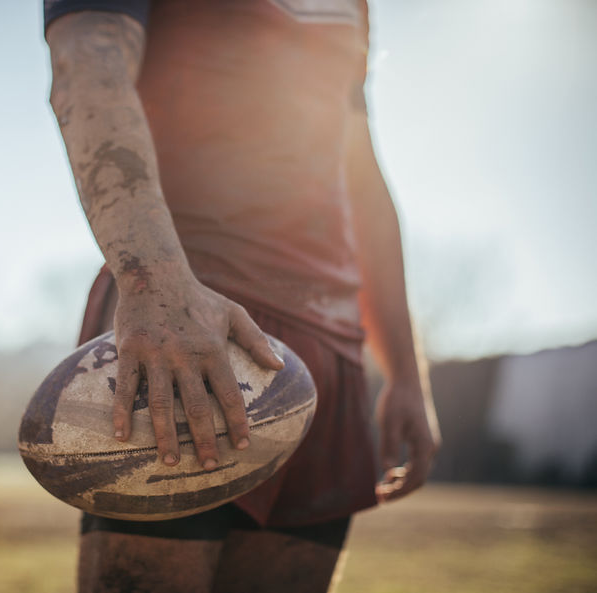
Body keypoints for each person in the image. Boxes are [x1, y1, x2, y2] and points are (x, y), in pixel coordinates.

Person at [42, 1, 440, 591]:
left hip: (330, 357)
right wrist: (157, 284)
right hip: (196, 324)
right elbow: (88, 64)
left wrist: (406, 372)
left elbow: (358, 169)